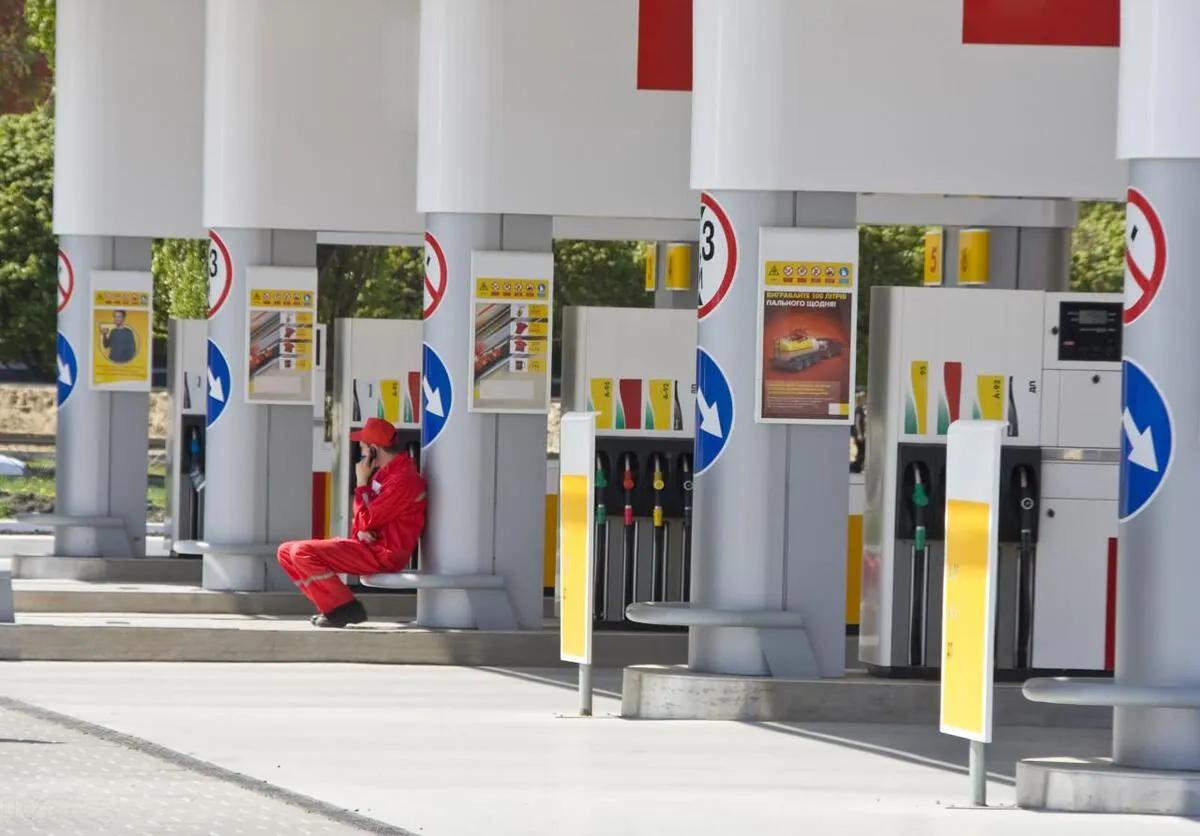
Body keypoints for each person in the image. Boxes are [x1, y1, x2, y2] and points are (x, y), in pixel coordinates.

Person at [277, 417, 427, 627]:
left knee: (301, 552)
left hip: (383, 554)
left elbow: (365, 519)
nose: (361, 452)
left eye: (363, 447)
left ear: (374, 449)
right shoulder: (385, 476)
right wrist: (361, 530)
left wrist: (361, 482)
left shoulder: (403, 480)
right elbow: (361, 522)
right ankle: (331, 607)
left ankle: (343, 608)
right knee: (285, 551)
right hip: (369, 547)